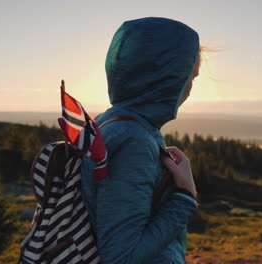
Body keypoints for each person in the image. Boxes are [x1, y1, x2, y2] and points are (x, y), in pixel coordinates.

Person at [80, 17, 201, 263]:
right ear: (168, 78)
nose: (190, 87)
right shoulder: (133, 140)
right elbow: (122, 257)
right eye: (190, 76)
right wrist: (185, 196)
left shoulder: (111, 121)